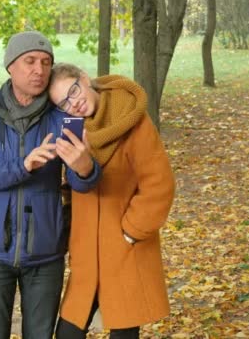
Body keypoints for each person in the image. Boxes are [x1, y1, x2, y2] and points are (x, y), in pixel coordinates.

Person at [0, 32, 101, 339]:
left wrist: (86, 169)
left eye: (46, 62)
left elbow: (80, 185)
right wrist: (22, 165)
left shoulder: (62, 116)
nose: (39, 70)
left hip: (45, 253)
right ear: (10, 66)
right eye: (30, 61)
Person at [48, 62, 176, 339]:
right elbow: (72, 187)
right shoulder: (73, 129)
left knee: (123, 330)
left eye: (74, 90)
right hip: (86, 251)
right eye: (64, 102)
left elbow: (159, 183)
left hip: (124, 247)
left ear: (85, 78)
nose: (74, 103)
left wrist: (131, 232)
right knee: (69, 330)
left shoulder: (130, 118)